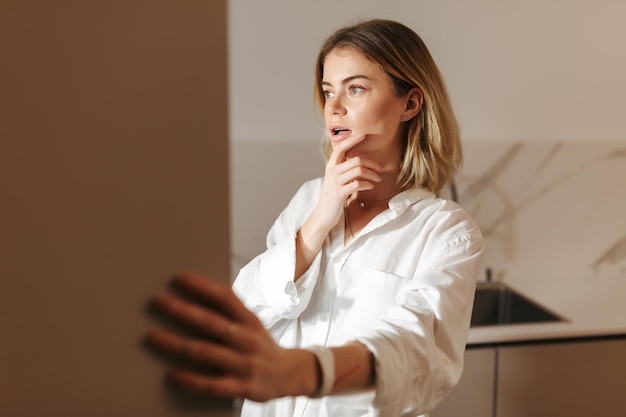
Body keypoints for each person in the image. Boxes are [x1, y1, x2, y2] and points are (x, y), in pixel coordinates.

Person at [147, 18, 485, 417]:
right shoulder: (309, 199)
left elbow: (417, 353)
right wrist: (317, 223)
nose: (334, 108)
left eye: (355, 89)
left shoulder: (447, 233)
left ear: (410, 103)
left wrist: (305, 371)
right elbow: (246, 314)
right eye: (328, 91)